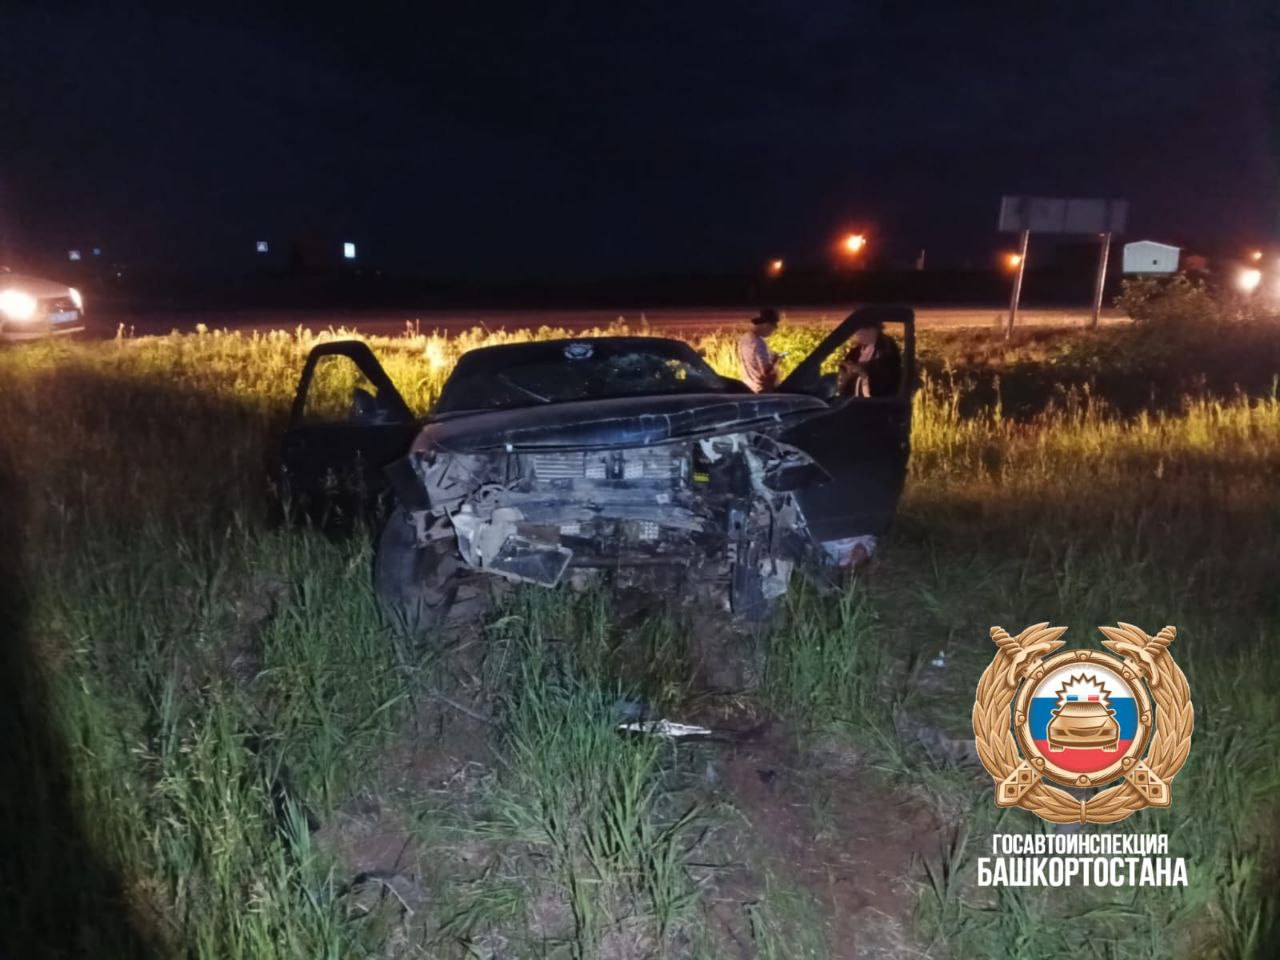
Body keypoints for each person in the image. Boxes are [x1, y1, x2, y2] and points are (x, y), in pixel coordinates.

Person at [835, 315, 902, 399]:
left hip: (873, 402)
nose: (855, 335)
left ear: (872, 329)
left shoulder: (886, 348)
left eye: (858, 330)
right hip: (852, 401)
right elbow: (845, 368)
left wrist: (862, 371)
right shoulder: (857, 350)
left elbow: (885, 379)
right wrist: (846, 372)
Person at [737, 308, 783, 392]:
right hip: (762, 390)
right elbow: (765, 372)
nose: (774, 329)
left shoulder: (745, 338)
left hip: (748, 386)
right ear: (765, 325)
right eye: (773, 326)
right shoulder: (759, 343)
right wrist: (775, 360)